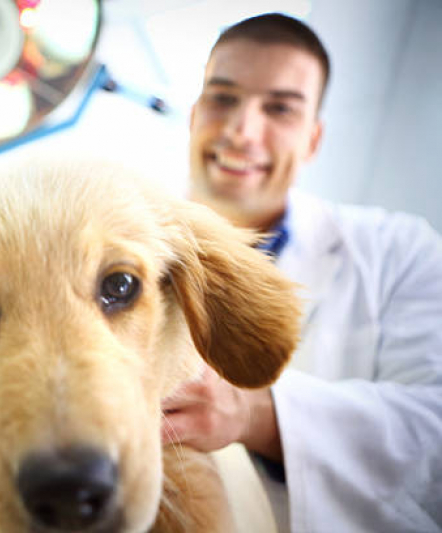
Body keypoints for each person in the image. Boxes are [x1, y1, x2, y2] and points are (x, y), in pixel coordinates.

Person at [161, 12, 442, 532]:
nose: (242, 131)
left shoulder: (400, 252)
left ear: (313, 139)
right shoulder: (123, 254)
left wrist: (256, 415)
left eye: (280, 109)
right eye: (223, 98)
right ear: (195, 113)